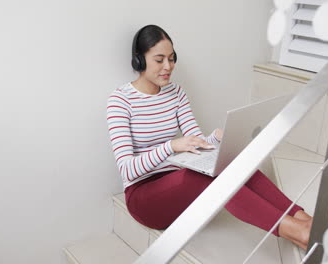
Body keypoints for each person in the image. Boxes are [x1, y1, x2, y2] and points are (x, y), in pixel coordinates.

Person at [107, 24, 312, 250]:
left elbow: (195, 139)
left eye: (172, 58)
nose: (168, 66)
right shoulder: (120, 101)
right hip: (144, 198)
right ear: (139, 60)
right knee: (205, 178)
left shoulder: (176, 93)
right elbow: (127, 169)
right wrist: (171, 146)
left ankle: (303, 219)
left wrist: (217, 138)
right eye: (159, 60)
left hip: (176, 183)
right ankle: (295, 231)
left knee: (233, 163)